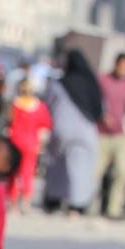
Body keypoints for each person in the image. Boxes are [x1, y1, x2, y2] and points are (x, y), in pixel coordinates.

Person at [43, 49, 103, 216]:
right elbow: (99, 110)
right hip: (85, 131)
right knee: (81, 168)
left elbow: (48, 103)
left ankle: (54, 200)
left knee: (57, 166)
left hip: (61, 129)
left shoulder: (58, 84)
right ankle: (77, 205)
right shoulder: (92, 85)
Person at [92, 53, 125, 218]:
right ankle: (90, 207)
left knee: (122, 172)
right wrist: (102, 114)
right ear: (115, 64)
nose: (124, 69)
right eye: (122, 66)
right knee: (95, 173)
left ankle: (113, 210)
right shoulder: (103, 80)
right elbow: (93, 100)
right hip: (101, 133)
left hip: (119, 135)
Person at [8, 79, 52, 213]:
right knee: (27, 172)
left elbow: (9, 122)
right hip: (31, 142)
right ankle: (25, 202)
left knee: (13, 172)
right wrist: (41, 144)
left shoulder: (15, 104)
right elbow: (44, 126)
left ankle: (13, 201)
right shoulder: (39, 106)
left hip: (15, 140)